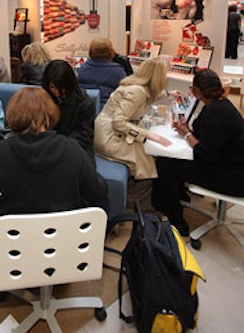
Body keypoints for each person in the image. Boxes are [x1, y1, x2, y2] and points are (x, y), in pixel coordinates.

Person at [152, 69, 244, 236]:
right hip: (233, 168)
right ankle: (179, 196)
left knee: (165, 165)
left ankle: (176, 220)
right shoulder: (222, 104)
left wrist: (187, 134)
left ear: (198, 90)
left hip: (234, 178)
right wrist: (189, 128)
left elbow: (205, 154)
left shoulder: (215, 113)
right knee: (174, 162)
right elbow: (200, 130)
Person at [0, 87, 108, 217]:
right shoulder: (71, 149)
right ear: (49, 113)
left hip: (16, 233)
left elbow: (0, 188)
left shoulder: (1, 151)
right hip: (65, 231)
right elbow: (97, 191)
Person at [94, 58, 172, 210]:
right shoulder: (137, 92)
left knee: (148, 156)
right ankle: (135, 202)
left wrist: (169, 93)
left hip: (109, 132)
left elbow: (152, 95)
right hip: (110, 138)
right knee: (148, 162)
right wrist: (150, 136)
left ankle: (136, 198)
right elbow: (119, 122)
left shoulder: (137, 86)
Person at [42, 59, 97, 165]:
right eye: (52, 87)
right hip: (48, 146)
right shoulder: (43, 98)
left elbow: (84, 135)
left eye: (61, 88)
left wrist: (59, 146)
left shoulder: (84, 103)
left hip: (75, 148)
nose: (57, 92)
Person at [77, 37, 127, 108]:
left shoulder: (83, 68)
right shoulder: (117, 71)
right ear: (110, 51)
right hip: (109, 110)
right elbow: (125, 93)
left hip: (85, 109)